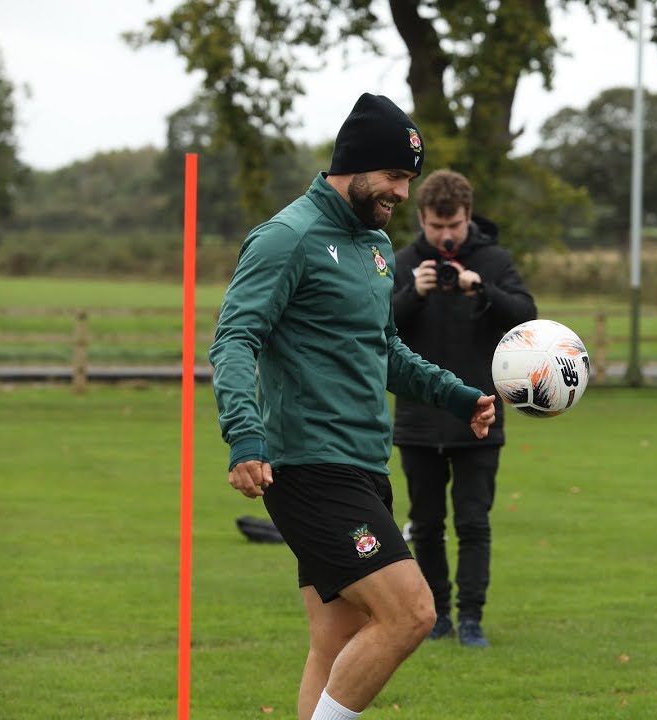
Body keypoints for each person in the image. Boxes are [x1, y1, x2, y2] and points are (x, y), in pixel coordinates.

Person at [208, 93, 498, 720]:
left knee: (335, 641)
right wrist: (244, 438)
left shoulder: (374, 249)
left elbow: (385, 349)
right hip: (311, 469)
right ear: (356, 165)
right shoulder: (287, 237)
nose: (400, 192)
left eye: (408, 180)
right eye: (394, 177)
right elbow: (235, 339)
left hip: (365, 465)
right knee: (413, 612)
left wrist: (457, 395)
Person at [391, 169, 538, 648]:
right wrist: (415, 292)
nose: (446, 235)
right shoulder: (402, 263)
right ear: (421, 219)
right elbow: (374, 328)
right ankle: (438, 617)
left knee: (474, 524)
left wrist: (481, 289)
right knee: (427, 525)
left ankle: (471, 618)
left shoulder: (493, 261)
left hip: (482, 414)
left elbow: (527, 316)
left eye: (453, 223)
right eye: (435, 225)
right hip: (417, 421)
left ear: (468, 217)